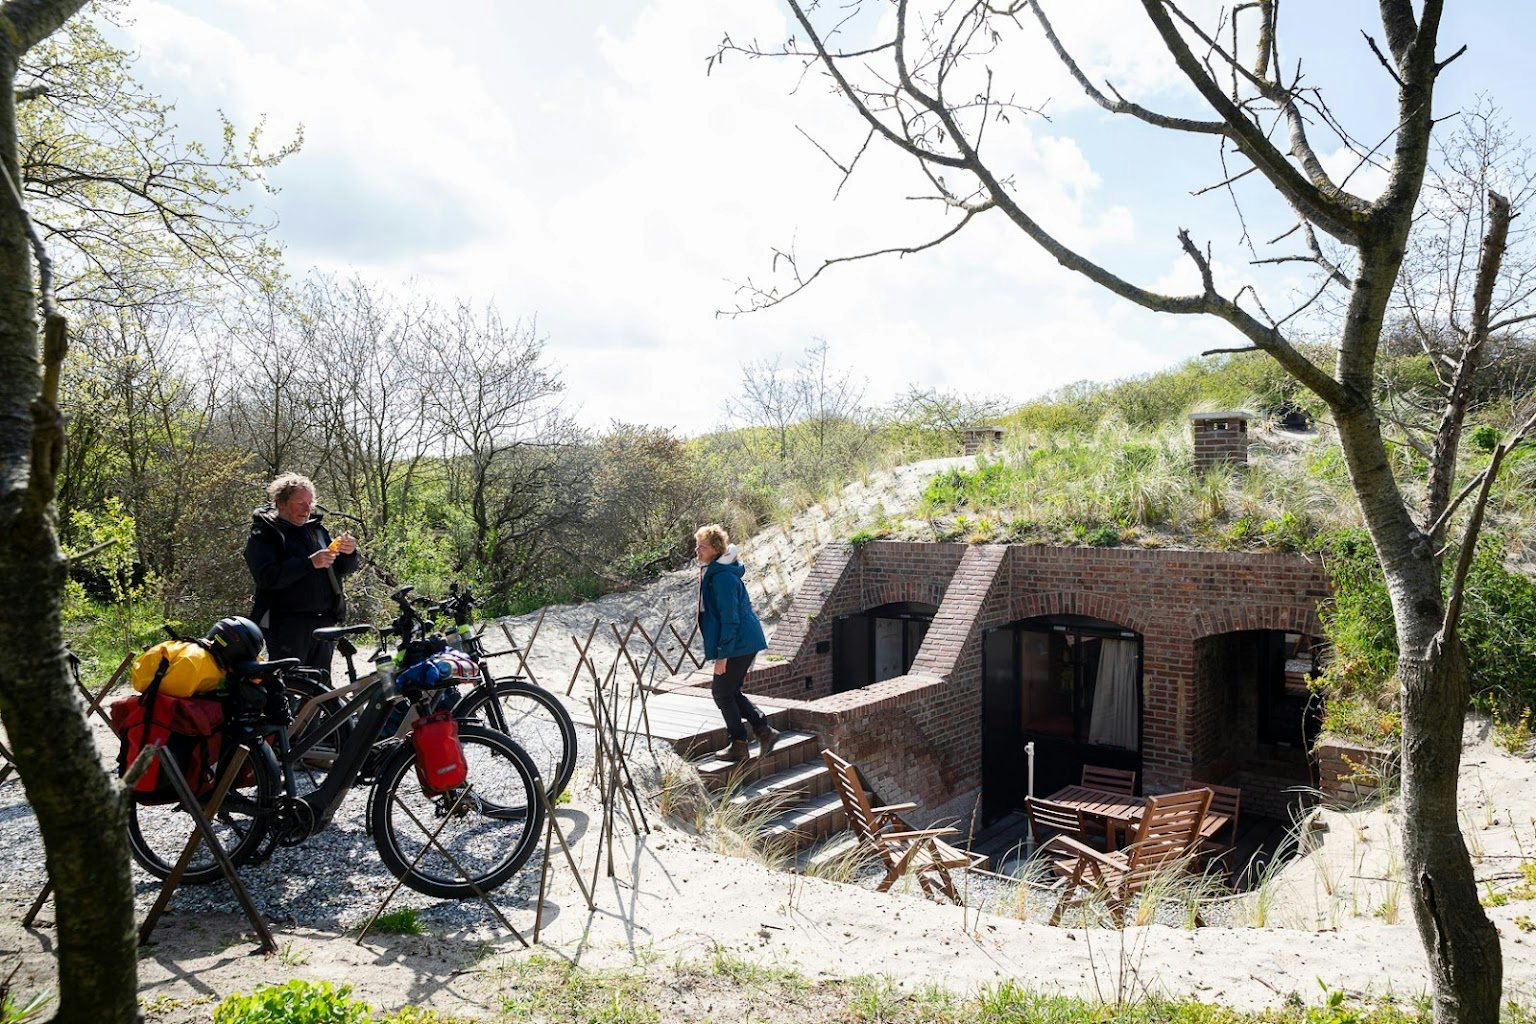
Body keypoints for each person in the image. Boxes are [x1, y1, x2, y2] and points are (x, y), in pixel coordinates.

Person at [244, 473, 360, 673]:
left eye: (310, 503)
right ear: (281, 503)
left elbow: (343, 569)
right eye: (300, 503)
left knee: (321, 687)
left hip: (324, 623)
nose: (307, 510)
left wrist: (350, 553)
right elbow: (267, 577)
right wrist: (309, 564)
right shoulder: (264, 534)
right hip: (286, 626)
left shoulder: (316, 531)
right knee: (289, 687)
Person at [695, 524, 779, 762]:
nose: (697, 550)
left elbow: (729, 619)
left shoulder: (721, 578)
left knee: (721, 693)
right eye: (697, 545)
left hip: (739, 642)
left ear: (715, 549)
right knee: (730, 691)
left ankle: (740, 743)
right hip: (744, 641)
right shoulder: (716, 572)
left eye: (702, 546)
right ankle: (763, 731)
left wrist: (723, 655)